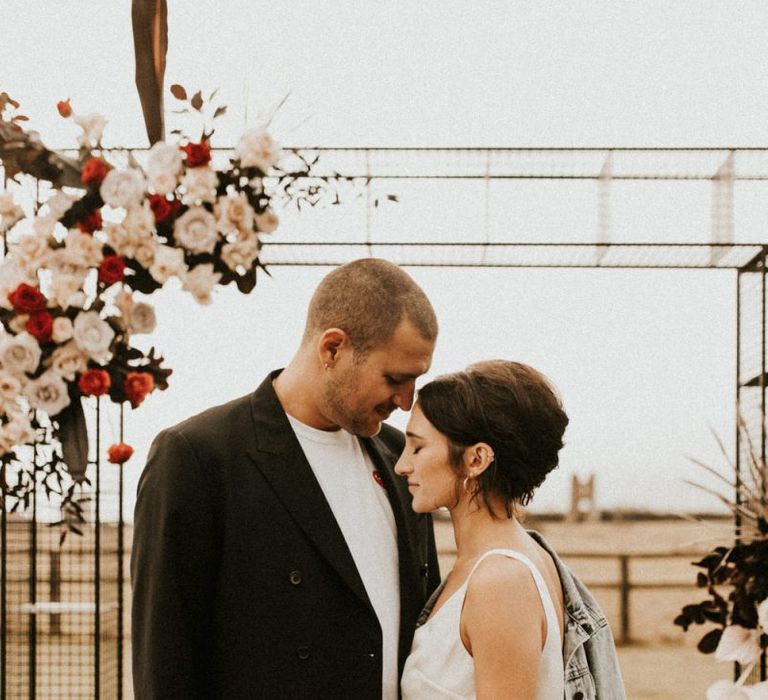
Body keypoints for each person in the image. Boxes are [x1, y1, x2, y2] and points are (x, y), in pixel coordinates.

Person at [131, 258, 442, 699]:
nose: (406, 400)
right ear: (332, 349)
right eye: (395, 378)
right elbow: (166, 665)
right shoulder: (199, 457)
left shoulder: (401, 457)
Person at [395, 360, 626, 700]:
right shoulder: (513, 556)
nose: (402, 465)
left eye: (418, 447)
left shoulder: (500, 581)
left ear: (476, 460)